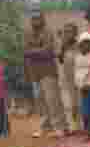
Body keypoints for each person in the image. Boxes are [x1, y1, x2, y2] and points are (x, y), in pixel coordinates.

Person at [25, 10, 68, 138]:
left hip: (48, 71)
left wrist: (34, 52)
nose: (35, 21)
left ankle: (60, 127)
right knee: (40, 101)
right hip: (34, 72)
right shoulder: (27, 33)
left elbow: (48, 51)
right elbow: (25, 51)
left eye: (38, 19)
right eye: (33, 19)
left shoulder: (48, 32)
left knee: (52, 99)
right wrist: (38, 51)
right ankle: (45, 127)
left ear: (42, 19)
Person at [58, 24, 81, 133]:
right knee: (67, 105)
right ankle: (72, 127)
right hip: (66, 80)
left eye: (69, 31)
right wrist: (63, 46)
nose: (67, 34)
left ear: (75, 33)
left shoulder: (79, 46)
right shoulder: (62, 47)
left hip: (78, 81)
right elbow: (61, 61)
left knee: (78, 105)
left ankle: (80, 127)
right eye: (65, 32)